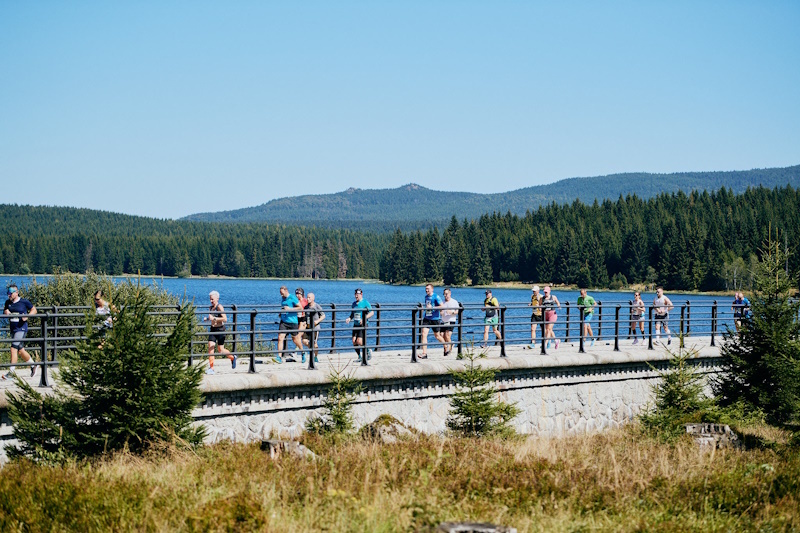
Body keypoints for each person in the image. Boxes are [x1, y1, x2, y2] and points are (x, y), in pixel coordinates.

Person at [3, 285, 37, 379]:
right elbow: (5, 310)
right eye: (8, 293)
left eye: (11, 293)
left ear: (16, 292)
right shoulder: (8, 303)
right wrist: (6, 312)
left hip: (21, 328)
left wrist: (28, 316)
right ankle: (33, 365)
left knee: (13, 348)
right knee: (21, 351)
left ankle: (11, 373)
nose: (9, 295)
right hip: (13, 328)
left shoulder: (24, 302)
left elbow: (34, 309)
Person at [204, 291, 236, 375]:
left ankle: (232, 358)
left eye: (212, 299)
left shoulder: (219, 307)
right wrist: (207, 319)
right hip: (213, 330)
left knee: (220, 350)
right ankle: (211, 368)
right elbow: (211, 317)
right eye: (210, 299)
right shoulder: (210, 308)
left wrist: (214, 318)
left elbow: (224, 319)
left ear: (217, 299)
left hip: (220, 330)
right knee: (210, 348)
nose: (211, 301)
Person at [276, 285, 305, 363]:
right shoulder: (283, 298)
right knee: (280, 338)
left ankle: (303, 352)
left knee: (295, 339)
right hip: (284, 321)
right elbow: (284, 307)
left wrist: (290, 309)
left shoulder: (293, 298)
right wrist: (281, 313)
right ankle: (279, 357)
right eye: (280, 293)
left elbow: (300, 308)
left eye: (282, 293)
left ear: (286, 291)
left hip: (292, 321)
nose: (281, 295)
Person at [345, 288, 373, 362]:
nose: (356, 296)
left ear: (361, 294)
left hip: (363, 324)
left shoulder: (365, 302)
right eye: (355, 294)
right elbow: (352, 314)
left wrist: (364, 318)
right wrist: (349, 318)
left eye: (358, 294)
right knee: (354, 341)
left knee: (359, 341)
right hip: (356, 324)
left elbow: (371, 312)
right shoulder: (354, 304)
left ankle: (368, 351)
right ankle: (359, 356)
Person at [420, 284, 445, 359]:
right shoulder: (426, 297)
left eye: (428, 289)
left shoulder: (436, 297)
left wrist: (433, 307)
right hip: (427, 318)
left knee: (437, 336)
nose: (426, 290)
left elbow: (442, 306)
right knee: (424, 334)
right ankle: (424, 353)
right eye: (426, 289)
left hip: (435, 319)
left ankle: (446, 346)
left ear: (432, 289)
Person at [302, 292, 325, 360]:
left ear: (313, 298)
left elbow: (323, 315)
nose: (308, 299)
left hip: (315, 327)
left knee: (314, 343)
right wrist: (305, 322)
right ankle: (311, 349)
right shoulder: (306, 307)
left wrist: (317, 321)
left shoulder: (316, 306)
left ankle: (315, 356)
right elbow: (306, 317)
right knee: (304, 340)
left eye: (309, 297)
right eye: (307, 297)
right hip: (308, 327)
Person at [440, 288, 459, 356]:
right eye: (444, 294)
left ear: (450, 293)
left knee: (447, 335)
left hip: (451, 320)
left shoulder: (454, 302)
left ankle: (448, 349)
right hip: (443, 320)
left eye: (447, 294)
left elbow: (458, 311)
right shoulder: (442, 302)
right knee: (441, 335)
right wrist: (441, 312)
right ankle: (447, 346)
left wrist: (452, 312)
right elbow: (440, 310)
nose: (445, 295)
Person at [542, 285, 561, 349]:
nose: (545, 293)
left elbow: (558, 302)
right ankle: (556, 340)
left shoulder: (553, 297)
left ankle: (545, 343)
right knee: (549, 330)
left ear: (549, 291)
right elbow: (539, 305)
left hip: (552, 314)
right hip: (545, 314)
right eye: (545, 292)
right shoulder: (542, 298)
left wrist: (559, 306)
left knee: (548, 329)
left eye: (546, 292)